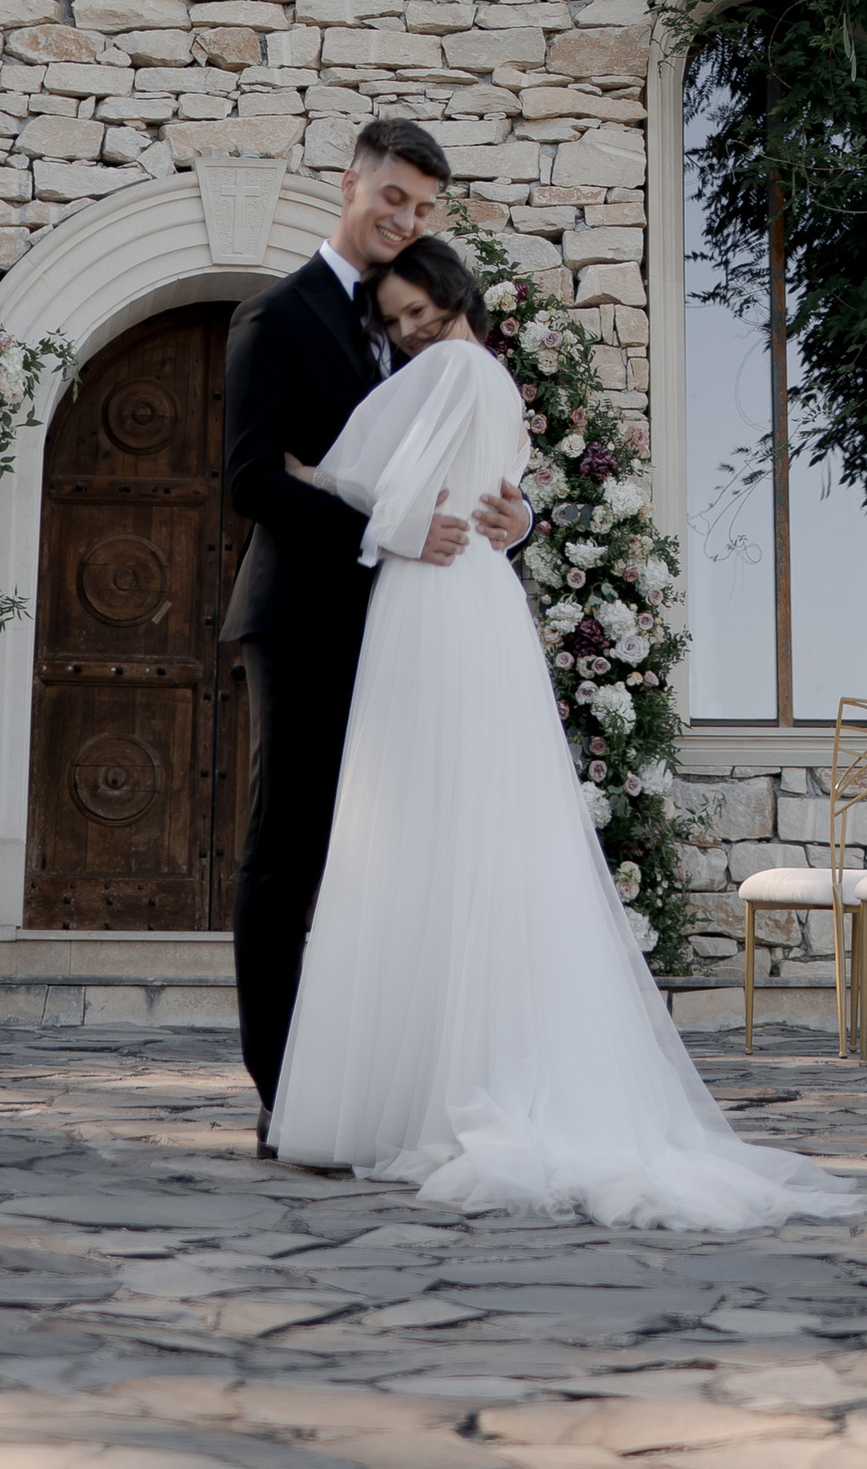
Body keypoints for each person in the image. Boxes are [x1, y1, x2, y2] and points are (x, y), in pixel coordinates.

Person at [266, 233, 863, 1230]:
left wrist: (315, 476)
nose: (412, 332)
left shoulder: (453, 366)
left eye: (421, 309)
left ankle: (420, 1087)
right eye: (396, 320)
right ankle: (460, 1065)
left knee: (420, 823)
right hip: (475, 602)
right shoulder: (489, 378)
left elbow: (371, 486)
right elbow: (474, 490)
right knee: (472, 828)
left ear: (454, 295)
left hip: (436, 598)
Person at [222, 119, 530, 1145]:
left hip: (410, 632)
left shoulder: (425, 322)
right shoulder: (277, 316)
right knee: (291, 855)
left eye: (423, 207)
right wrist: (382, 525)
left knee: (395, 859)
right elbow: (252, 478)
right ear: (351, 185)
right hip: (304, 622)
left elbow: (467, 472)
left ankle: (378, 1090)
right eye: (392, 197)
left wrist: (520, 519)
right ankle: (285, 1097)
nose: (405, 219)